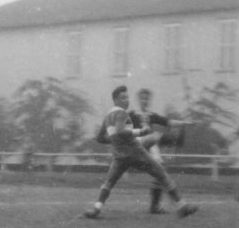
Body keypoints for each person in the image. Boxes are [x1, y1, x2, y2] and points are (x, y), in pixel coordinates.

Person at [84, 85, 197, 220]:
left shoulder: (108, 116)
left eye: (127, 97)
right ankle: (182, 207)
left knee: (109, 182)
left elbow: (100, 138)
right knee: (161, 173)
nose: (126, 100)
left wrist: (115, 141)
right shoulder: (122, 113)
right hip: (135, 151)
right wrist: (140, 131)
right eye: (123, 98)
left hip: (119, 155)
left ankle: (96, 208)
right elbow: (120, 130)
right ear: (115, 100)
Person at [131, 88, 186, 214]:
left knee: (160, 170)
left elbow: (167, 122)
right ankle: (99, 204)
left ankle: (155, 206)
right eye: (142, 98)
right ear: (139, 100)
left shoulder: (151, 115)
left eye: (147, 99)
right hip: (137, 145)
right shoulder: (133, 114)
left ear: (149, 100)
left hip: (150, 145)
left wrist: (182, 123)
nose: (145, 101)